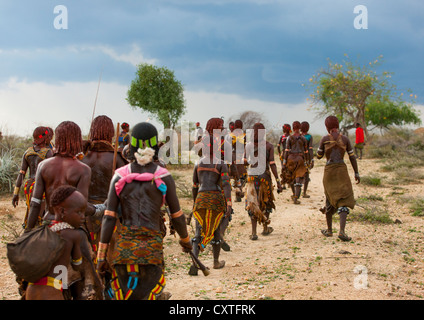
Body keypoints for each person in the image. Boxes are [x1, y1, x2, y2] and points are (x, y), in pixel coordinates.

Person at [96, 122, 192, 300]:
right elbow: (177, 216)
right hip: (151, 251)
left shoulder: (119, 176)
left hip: (124, 251)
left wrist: (101, 256)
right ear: (155, 145)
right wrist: (185, 241)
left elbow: (109, 218)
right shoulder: (163, 176)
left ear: (131, 145)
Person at [25, 120, 103, 300]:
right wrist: (100, 209)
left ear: (58, 139)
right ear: (76, 140)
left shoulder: (44, 166)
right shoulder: (83, 169)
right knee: (89, 283)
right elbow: (81, 206)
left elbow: (35, 203)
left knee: (35, 278)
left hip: (47, 226)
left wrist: (28, 231)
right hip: (74, 231)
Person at [25, 185, 85, 300]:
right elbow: (77, 265)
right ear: (62, 211)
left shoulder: (42, 231)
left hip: (31, 290)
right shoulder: (72, 235)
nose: (83, 217)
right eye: (79, 212)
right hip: (52, 291)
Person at [190, 117, 233, 275]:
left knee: (197, 231)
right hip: (216, 197)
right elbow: (226, 184)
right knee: (215, 228)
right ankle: (215, 261)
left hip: (201, 197)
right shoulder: (221, 162)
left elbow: (195, 186)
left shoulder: (198, 163)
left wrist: (195, 203)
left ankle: (195, 263)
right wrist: (228, 203)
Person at [81, 115, 127, 259]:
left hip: (85, 215)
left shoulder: (82, 157)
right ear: (111, 133)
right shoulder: (118, 158)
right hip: (112, 216)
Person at [317, 116, 360, 242]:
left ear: (327, 126)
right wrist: (356, 172)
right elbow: (352, 157)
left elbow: (319, 156)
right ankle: (342, 231)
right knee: (344, 199)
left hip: (329, 171)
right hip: (342, 170)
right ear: (337, 125)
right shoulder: (345, 139)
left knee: (329, 198)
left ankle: (329, 230)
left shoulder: (324, 139)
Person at [244, 123, 283, 240]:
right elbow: (272, 164)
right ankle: (265, 228)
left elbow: (245, 162)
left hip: (251, 178)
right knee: (266, 202)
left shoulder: (249, 146)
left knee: (252, 204)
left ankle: (254, 232)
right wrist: (278, 181)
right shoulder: (269, 146)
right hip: (264, 178)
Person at [12, 126, 53, 229]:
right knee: (40, 213)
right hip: (41, 186)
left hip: (28, 186)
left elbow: (21, 174)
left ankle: (28, 228)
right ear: (45, 137)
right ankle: (38, 232)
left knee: (31, 208)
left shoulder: (27, 152)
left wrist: (16, 193)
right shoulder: (48, 153)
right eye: (49, 136)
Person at [282, 121, 309, 204]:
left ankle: (294, 194)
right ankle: (296, 197)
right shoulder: (303, 138)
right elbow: (306, 151)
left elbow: (286, 151)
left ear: (293, 129)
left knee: (291, 177)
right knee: (299, 178)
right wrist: (307, 161)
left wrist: (284, 161)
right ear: (300, 128)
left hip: (290, 158)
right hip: (300, 159)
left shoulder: (289, 138)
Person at [300, 121, 314, 198]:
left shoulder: (297, 136)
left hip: (297, 156)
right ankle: (304, 193)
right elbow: (310, 149)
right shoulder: (309, 137)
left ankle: (296, 193)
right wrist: (312, 159)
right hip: (306, 157)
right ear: (308, 128)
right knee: (306, 175)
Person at [277, 124, 291, 190]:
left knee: (283, 167)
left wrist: (280, 153)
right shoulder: (291, 136)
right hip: (290, 154)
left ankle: (284, 184)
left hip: (284, 154)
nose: (282, 129)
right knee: (289, 168)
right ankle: (288, 183)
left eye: (283, 128)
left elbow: (278, 146)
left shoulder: (282, 137)